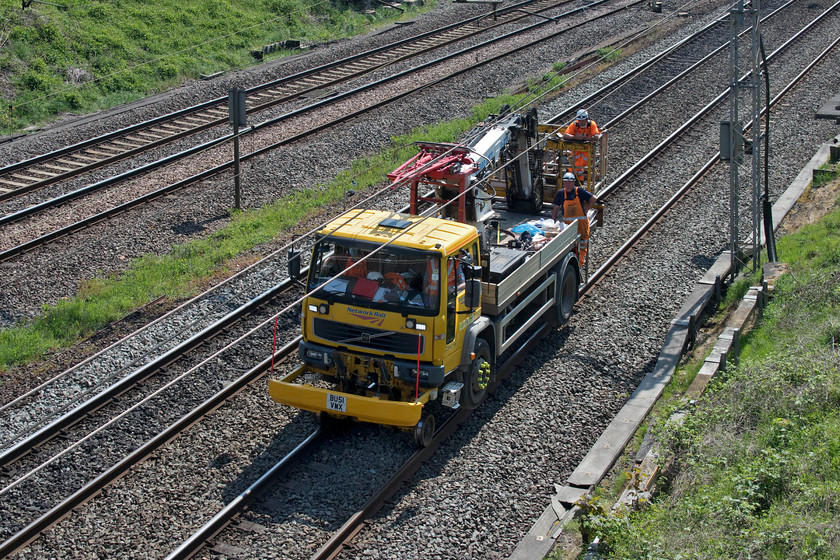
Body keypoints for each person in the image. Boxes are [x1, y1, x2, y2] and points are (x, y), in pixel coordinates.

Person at [552, 172, 597, 266]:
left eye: (570, 182)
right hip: (568, 227)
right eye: (566, 182)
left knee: (582, 245)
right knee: (570, 248)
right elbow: (556, 207)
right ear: (563, 183)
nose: (568, 184)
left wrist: (586, 209)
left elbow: (593, 199)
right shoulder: (561, 193)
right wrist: (553, 220)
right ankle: (573, 264)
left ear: (573, 183)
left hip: (581, 226)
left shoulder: (579, 191)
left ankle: (579, 265)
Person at [562, 109, 601, 182]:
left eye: (583, 120)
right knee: (574, 165)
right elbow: (565, 135)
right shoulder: (574, 124)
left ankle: (575, 179)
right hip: (575, 150)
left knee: (578, 167)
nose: (581, 122)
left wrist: (584, 139)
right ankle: (578, 180)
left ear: (586, 119)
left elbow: (596, 137)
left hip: (587, 150)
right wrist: (576, 137)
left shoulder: (591, 124)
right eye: (580, 121)